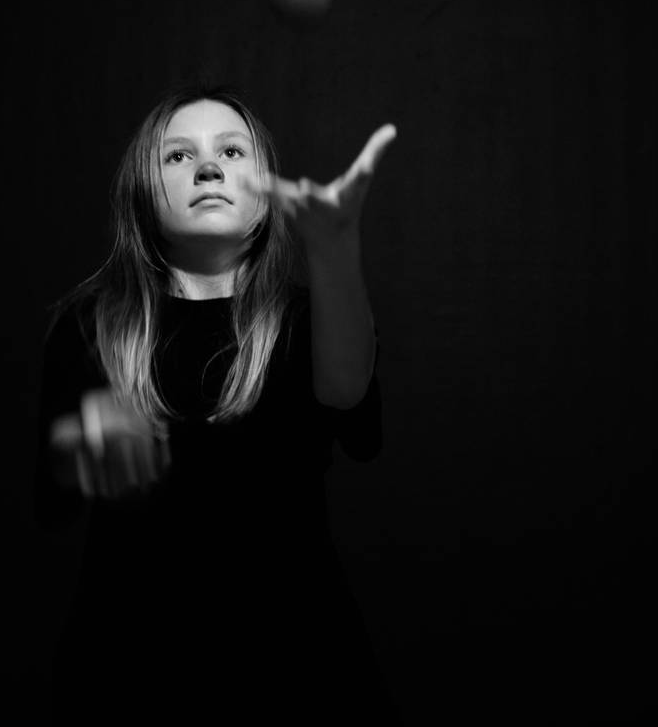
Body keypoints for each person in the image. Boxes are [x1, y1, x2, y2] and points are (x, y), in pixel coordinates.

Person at [35, 83, 399, 723]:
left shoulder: (308, 317)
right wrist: (79, 445)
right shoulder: (90, 325)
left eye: (232, 152)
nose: (208, 167)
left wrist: (335, 246)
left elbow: (349, 401)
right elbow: (51, 497)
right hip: (124, 668)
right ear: (143, 193)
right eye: (178, 156)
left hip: (300, 666)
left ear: (265, 195)